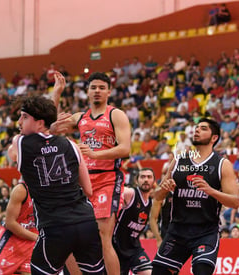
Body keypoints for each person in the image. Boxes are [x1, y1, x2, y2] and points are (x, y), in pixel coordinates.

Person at [8, 94, 104, 274]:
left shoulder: (20, 143)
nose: (19, 121)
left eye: (25, 117)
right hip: (86, 221)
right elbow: (88, 189)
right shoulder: (72, 145)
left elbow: (13, 153)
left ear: (40, 122)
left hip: (55, 225)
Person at [51, 72, 131, 275]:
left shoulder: (116, 115)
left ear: (109, 91)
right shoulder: (80, 117)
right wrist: (57, 93)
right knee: (68, 236)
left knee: (103, 237)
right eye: (93, 87)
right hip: (82, 180)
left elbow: (125, 149)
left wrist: (95, 153)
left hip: (107, 178)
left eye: (101, 87)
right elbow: (50, 127)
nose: (97, 91)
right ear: (87, 91)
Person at [151, 118, 239, 275]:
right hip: (177, 230)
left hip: (206, 231)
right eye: (196, 127)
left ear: (214, 138)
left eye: (203, 128)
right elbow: (157, 196)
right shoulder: (179, 160)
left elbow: (235, 202)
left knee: (202, 270)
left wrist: (211, 190)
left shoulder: (221, 164)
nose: (197, 130)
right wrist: (163, 189)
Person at [0, 181, 38, 275]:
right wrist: (36, 237)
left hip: (31, 242)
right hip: (13, 239)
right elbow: (10, 223)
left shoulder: (47, 189)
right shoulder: (21, 190)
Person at [112, 168, 155, 275]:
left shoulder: (151, 201)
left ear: (154, 181)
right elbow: (116, 191)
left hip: (134, 248)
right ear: (136, 181)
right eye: (143, 177)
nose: (146, 180)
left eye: (149, 177)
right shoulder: (130, 193)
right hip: (116, 247)